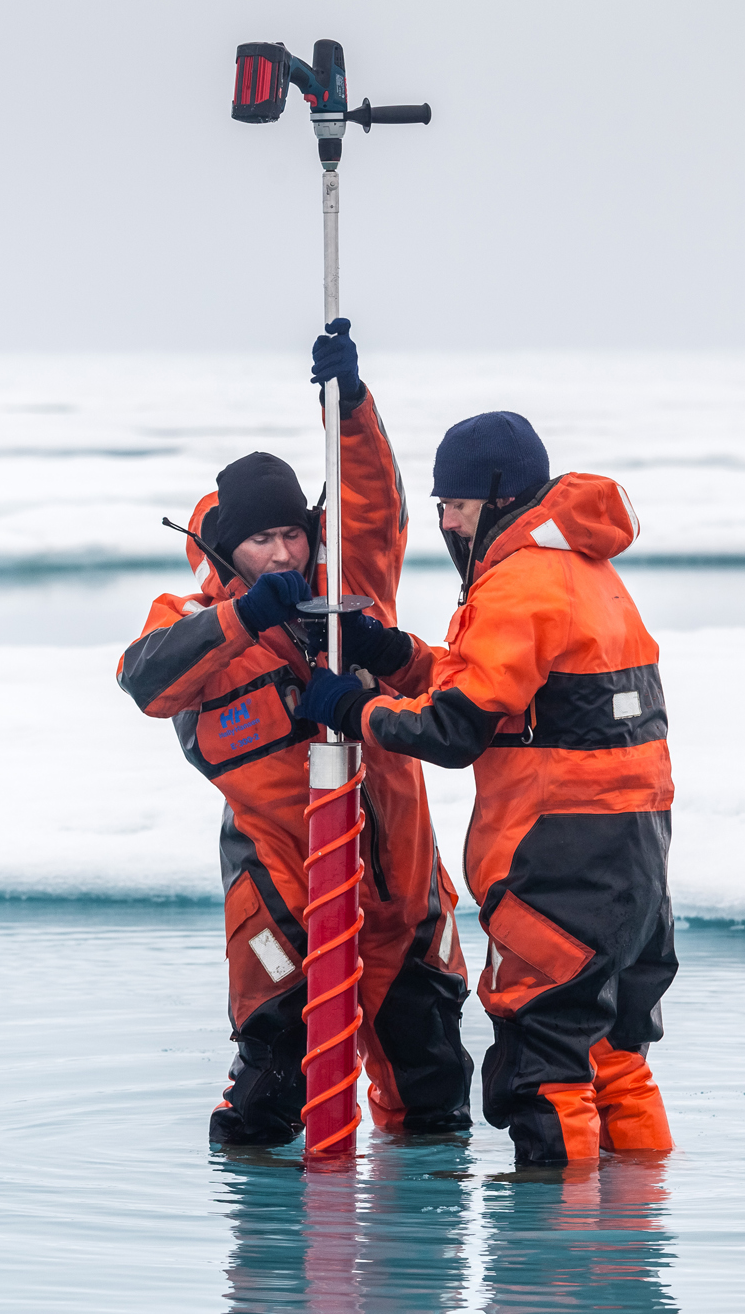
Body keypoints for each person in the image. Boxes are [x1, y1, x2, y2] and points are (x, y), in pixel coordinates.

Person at [117, 321, 473, 1146]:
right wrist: (249, 616)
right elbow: (145, 679)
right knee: (263, 1109)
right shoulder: (196, 624)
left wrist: (347, 405)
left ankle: (414, 1264)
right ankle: (277, 1261)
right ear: (227, 549)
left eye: (292, 533)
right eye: (260, 538)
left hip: (400, 894)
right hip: (281, 899)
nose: (282, 551)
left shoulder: (356, 592)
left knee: (436, 1107)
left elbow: (373, 498)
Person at [294, 410, 678, 1167]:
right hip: (634, 855)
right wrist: (396, 654)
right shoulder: (587, 572)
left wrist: (354, 707)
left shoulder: (516, 582)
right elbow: (510, 694)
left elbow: (456, 728)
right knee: (614, 1057)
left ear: (495, 497)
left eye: (455, 503)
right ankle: (635, 1241)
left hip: (557, 858)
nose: (443, 519)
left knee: (546, 1068)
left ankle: (554, 1268)